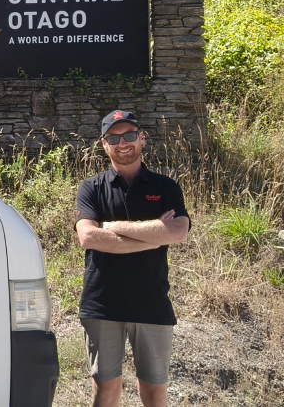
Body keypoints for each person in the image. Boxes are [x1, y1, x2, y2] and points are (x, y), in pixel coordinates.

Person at [74, 110, 190, 407]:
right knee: (105, 391)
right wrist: (153, 236)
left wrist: (113, 229)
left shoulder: (165, 187)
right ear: (104, 144)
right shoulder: (91, 188)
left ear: (142, 138)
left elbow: (177, 231)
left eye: (128, 135)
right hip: (102, 303)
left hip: (151, 302)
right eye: (114, 137)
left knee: (154, 394)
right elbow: (88, 237)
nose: (122, 142)